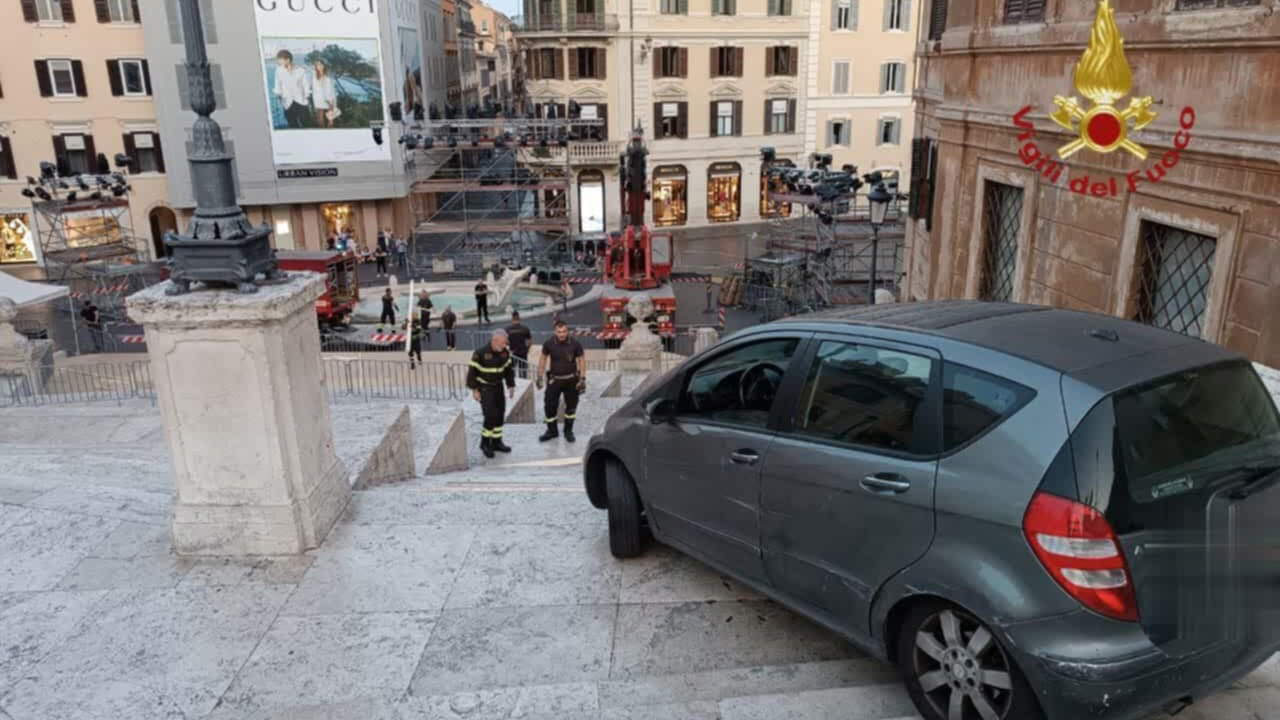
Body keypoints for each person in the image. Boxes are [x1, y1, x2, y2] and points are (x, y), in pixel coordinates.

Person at [466, 329, 516, 459]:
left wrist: (511, 385)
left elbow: (508, 370)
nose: (505, 346)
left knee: (500, 414)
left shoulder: (505, 353)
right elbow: (472, 373)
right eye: (503, 343)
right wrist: (474, 390)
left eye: (506, 343)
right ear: (495, 341)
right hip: (485, 388)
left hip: (498, 387)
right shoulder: (480, 353)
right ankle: (485, 443)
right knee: (490, 415)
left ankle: (497, 442)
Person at [536, 320, 586, 443]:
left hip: (571, 381)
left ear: (567, 331)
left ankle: (568, 431)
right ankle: (552, 431)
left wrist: (583, 378)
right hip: (554, 380)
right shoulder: (549, 343)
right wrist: (539, 376)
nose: (562, 334)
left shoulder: (575, 344)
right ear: (555, 332)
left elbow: (582, 361)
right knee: (549, 407)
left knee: (571, 408)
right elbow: (542, 359)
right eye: (559, 332)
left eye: (564, 331)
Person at [273, 50, 311, 129]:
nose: (279, 63)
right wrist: (278, 95)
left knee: (306, 124)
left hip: (301, 101)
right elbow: (278, 85)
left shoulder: (301, 70)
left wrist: (307, 96)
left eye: (280, 60)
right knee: (292, 124)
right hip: (287, 102)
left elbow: (306, 85)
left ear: (288, 60)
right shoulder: (278, 70)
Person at [310, 58, 339, 128]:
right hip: (318, 99)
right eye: (317, 65)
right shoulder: (314, 76)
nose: (319, 66)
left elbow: (332, 89)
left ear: (324, 65)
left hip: (330, 99)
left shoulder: (329, 76)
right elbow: (313, 89)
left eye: (320, 64)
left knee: (331, 121)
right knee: (320, 120)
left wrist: (331, 101)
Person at [505, 311, 533, 379]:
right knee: (523, 370)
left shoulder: (507, 329)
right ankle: (524, 383)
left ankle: (513, 384)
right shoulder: (525, 328)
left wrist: (510, 344)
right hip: (523, 352)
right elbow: (530, 341)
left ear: (512, 319)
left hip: (513, 353)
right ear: (519, 319)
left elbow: (505, 341)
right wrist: (527, 349)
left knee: (512, 370)